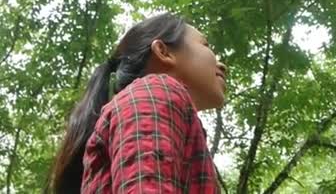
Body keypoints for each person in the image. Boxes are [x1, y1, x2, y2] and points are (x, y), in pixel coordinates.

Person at [46, 12, 228, 193]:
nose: (222, 65)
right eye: (205, 45)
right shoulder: (155, 92)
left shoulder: (159, 104)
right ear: (163, 52)